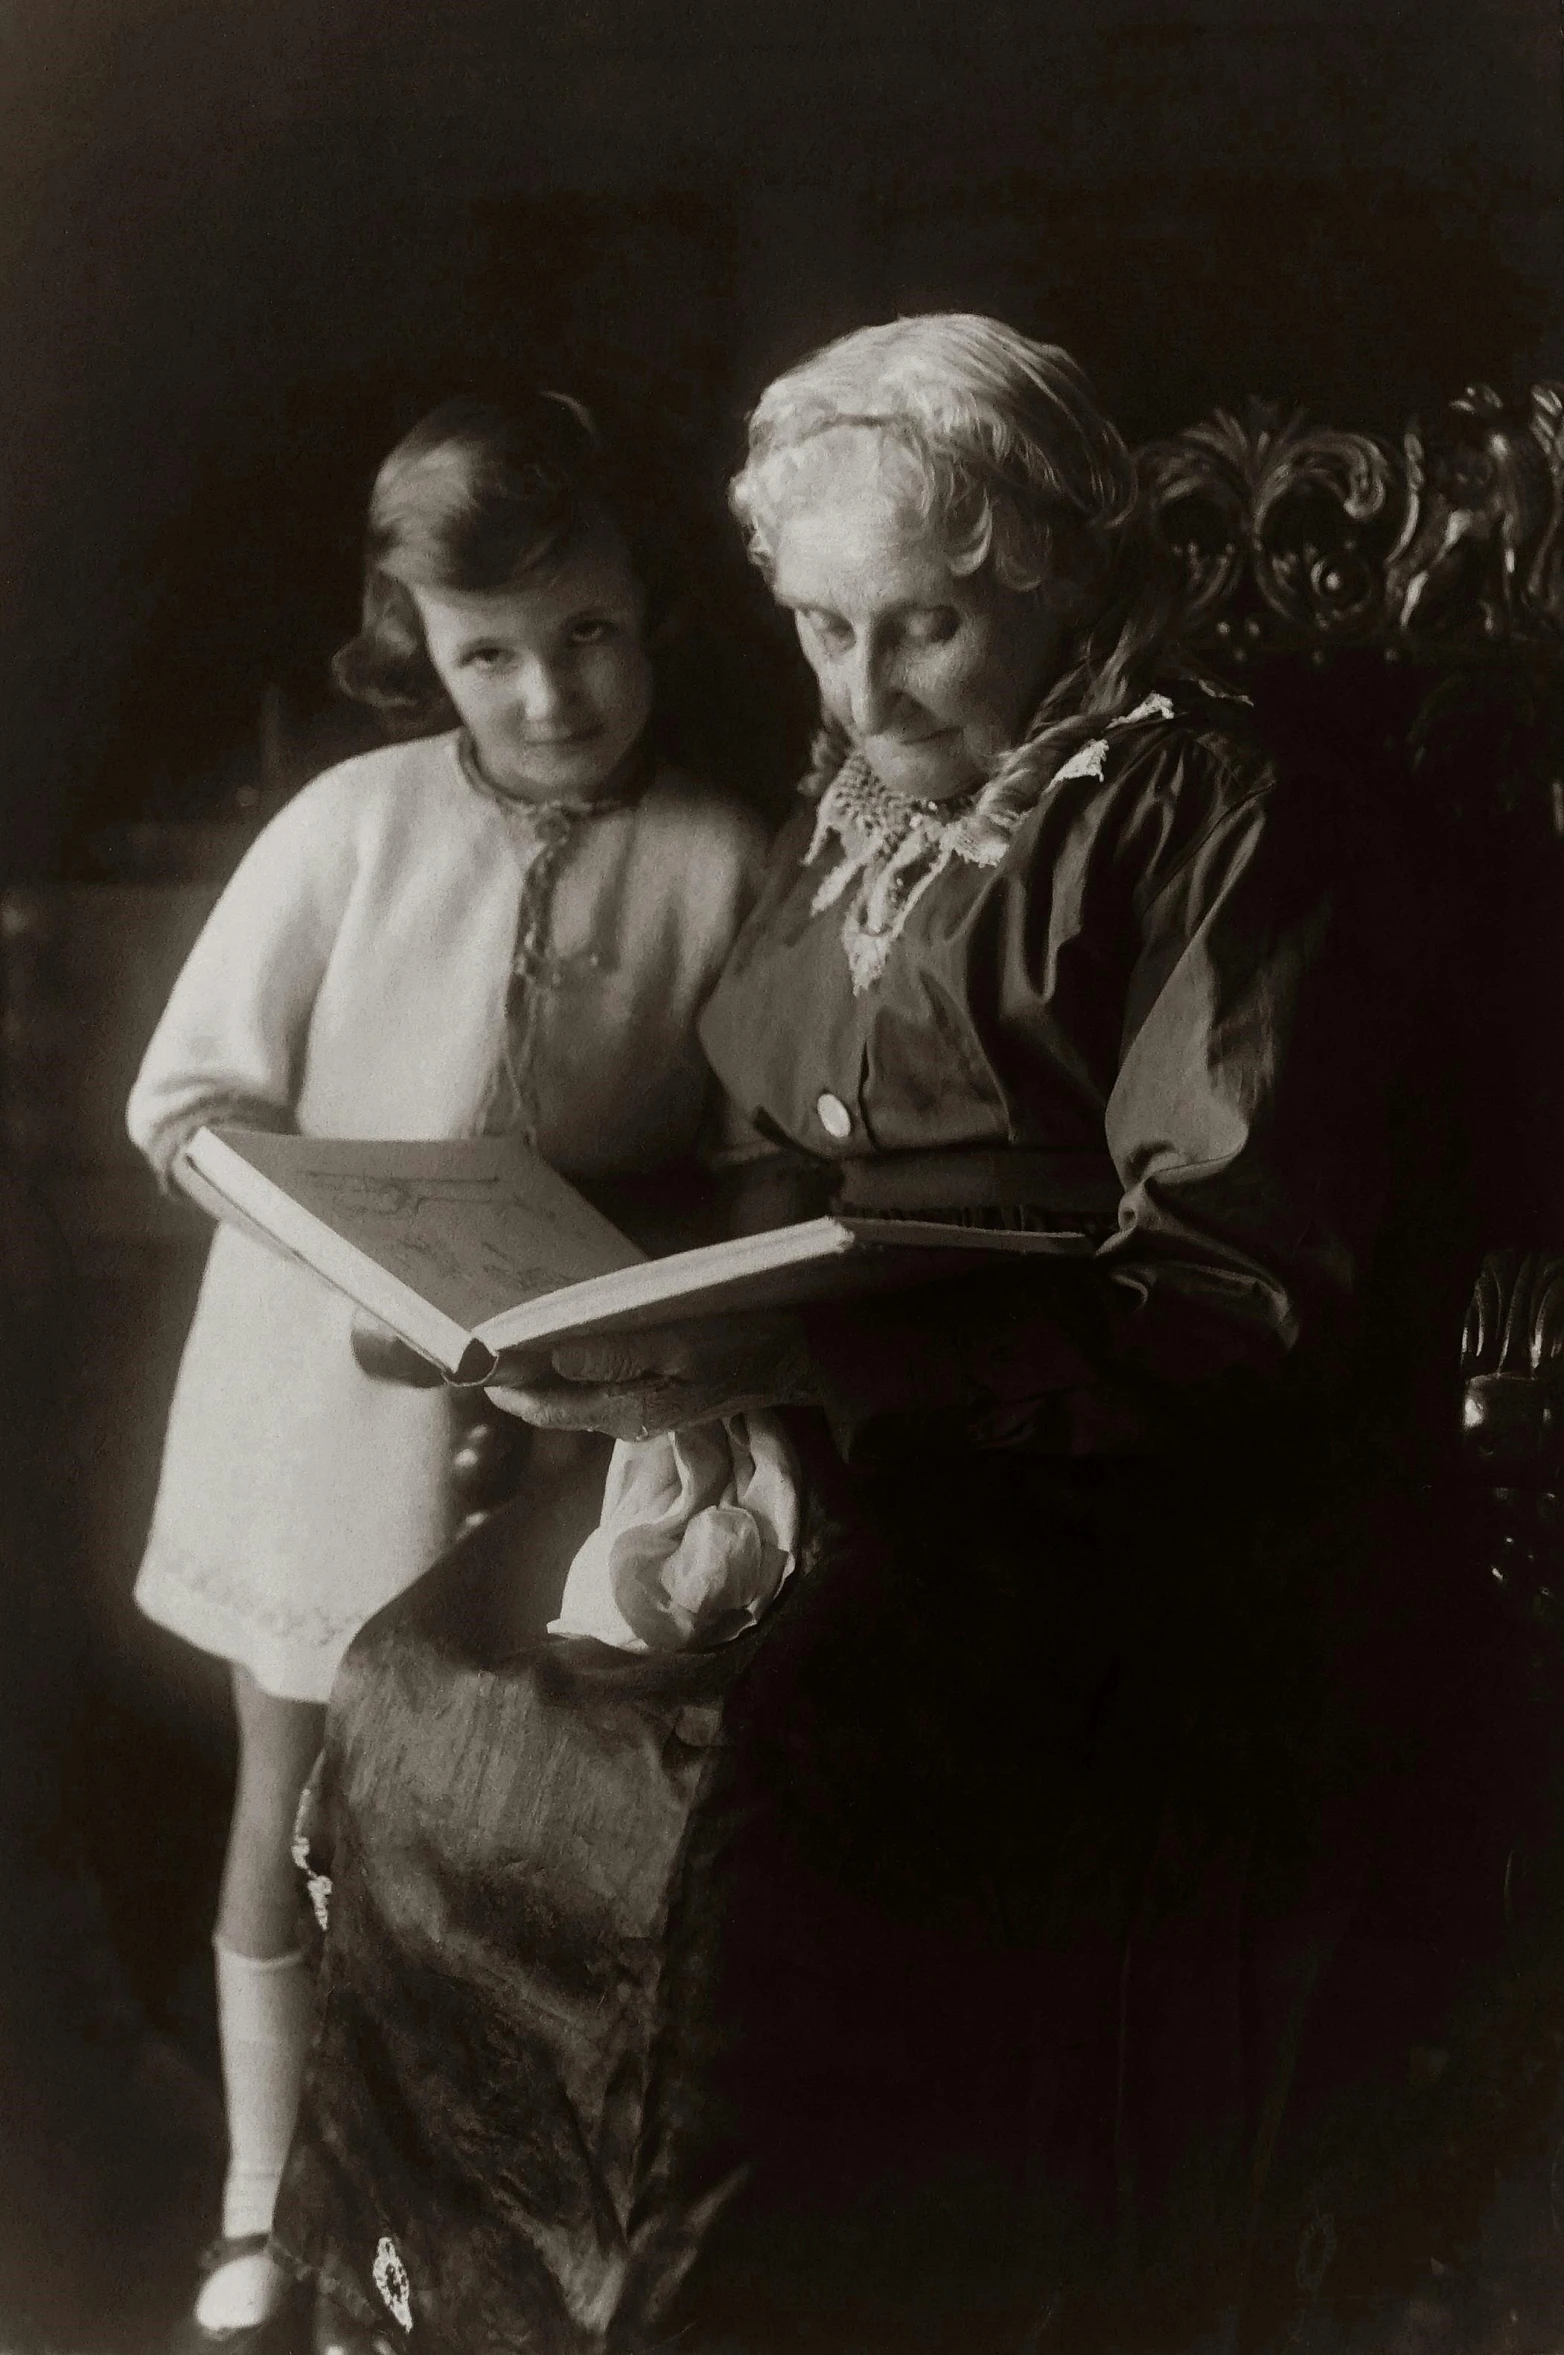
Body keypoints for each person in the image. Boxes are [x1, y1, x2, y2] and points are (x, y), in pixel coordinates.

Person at [273, 317, 1450, 2352]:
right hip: (824, 1419)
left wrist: (804, 1372)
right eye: (819, 630)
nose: (859, 693)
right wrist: (518, 1300)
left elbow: (1233, 1297)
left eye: (920, 628)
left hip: (1104, 1496)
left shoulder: (1216, 811)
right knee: (416, 1682)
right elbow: (763, 1149)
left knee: (718, 1785)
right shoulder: (862, 804)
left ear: (1057, 572)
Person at [125, 388, 769, 2352]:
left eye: (584, 635)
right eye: (488, 655)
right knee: (288, 1784)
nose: (550, 695)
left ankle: (449, 2202)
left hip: (568, 1421)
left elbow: (747, 1152)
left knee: (490, 1837)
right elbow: (189, 1096)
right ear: (417, 647)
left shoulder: (724, 856)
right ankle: (257, 2202)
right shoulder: (349, 826)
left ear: (644, 607)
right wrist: (325, 1212)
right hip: (319, 1396)